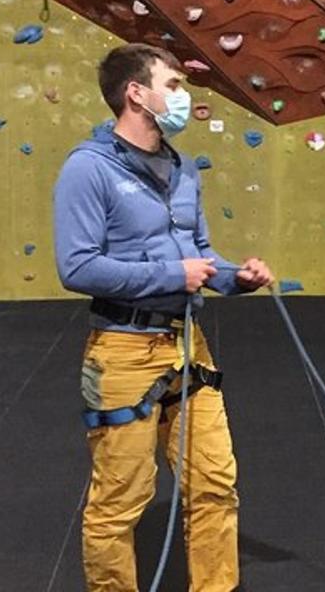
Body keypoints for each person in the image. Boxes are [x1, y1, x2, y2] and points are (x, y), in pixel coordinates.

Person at [53, 43, 275, 592]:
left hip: (186, 346)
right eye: (172, 84)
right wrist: (176, 276)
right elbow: (77, 266)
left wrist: (233, 277)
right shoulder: (89, 169)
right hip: (123, 350)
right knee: (120, 500)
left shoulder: (181, 168)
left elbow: (199, 250)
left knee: (215, 483)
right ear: (136, 93)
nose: (183, 95)